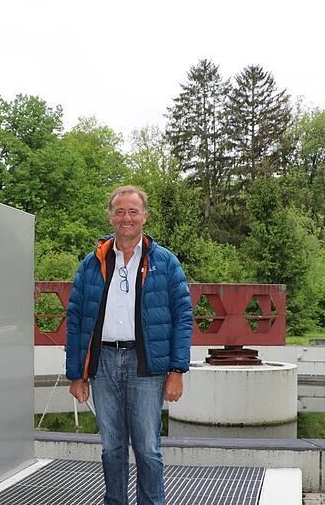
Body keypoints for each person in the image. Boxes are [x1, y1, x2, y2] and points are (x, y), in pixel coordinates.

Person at [66, 185, 193, 505]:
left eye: (133, 211)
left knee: (148, 448)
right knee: (112, 447)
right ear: (110, 216)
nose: (126, 218)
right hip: (104, 363)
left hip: (146, 364)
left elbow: (183, 316)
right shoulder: (92, 263)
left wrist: (177, 369)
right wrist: (76, 375)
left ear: (145, 216)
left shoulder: (165, 262)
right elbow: (77, 318)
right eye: (120, 211)